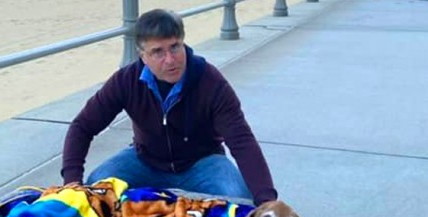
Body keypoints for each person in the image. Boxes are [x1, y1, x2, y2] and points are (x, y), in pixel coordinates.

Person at [61, 8, 277, 205]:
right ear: (142, 56)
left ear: (183, 42)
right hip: (145, 161)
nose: (170, 60)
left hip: (202, 163)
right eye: (158, 52)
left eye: (175, 47)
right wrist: (72, 182)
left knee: (240, 199)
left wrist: (266, 198)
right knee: (96, 188)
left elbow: (241, 140)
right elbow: (83, 126)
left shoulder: (210, 82)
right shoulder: (126, 81)